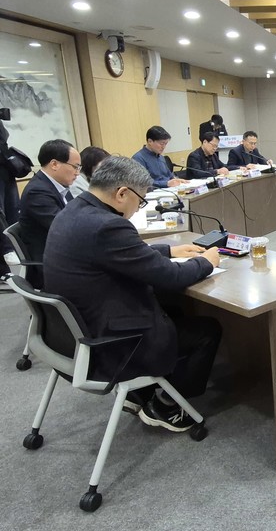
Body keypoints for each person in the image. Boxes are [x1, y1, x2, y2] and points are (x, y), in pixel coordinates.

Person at [44, 156, 222, 432]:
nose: (139, 207)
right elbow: (171, 277)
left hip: (74, 333)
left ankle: (139, 393)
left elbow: (116, 253)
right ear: (122, 193)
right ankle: (166, 404)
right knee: (207, 330)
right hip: (110, 343)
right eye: (141, 201)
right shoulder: (108, 225)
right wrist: (206, 262)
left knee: (173, 310)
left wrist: (168, 250)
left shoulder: (74, 211)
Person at [18, 139, 80, 288]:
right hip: (53, 263)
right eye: (75, 167)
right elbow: (64, 228)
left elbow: (78, 215)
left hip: (66, 252)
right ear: (54, 164)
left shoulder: (58, 186)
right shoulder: (37, 192)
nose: (77, 173)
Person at [0, 120, 21, 272]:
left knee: (12, 211)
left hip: (4, 168)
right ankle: (8, 249)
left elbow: (4, 137)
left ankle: (14, 247)